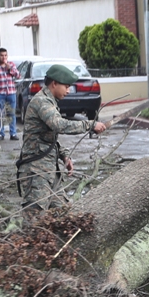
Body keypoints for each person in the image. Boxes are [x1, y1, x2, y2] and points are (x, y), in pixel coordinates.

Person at [16, 64, 109, 218]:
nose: (68, 91)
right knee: (34, 221)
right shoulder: (42, 102)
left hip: (49, 171)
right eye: (66, 86)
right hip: (36, 172)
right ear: (54, 84)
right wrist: (90, 124)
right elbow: (59, 125)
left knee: (65, 217)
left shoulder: (50, 101)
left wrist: (64, 155)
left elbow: (47, 137)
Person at [0, 47, 20, 140]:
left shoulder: (11, 64)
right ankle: (1, 133)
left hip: (11, 93)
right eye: (2, 55)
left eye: (5, 55)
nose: (4, 57)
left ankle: (13, 133)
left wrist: (10, 69)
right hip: (0, 93)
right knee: (0, 114)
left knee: (12, 113)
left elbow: (18, 75)